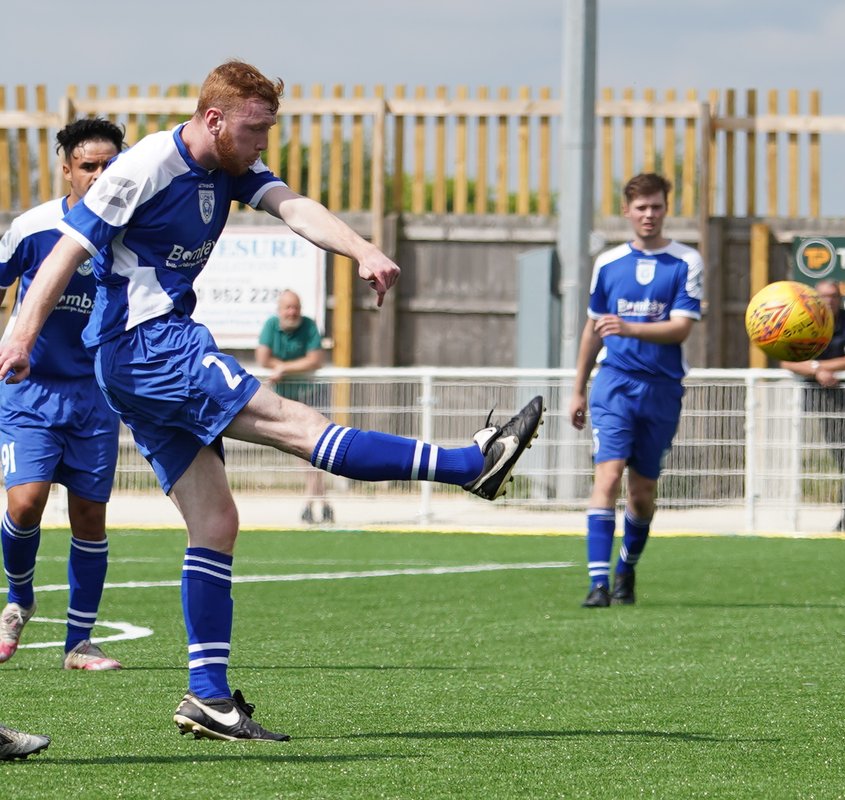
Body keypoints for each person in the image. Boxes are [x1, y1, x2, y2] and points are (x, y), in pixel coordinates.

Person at [0, 60, 543, 742]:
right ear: (214, 119)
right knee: (295, 423)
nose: (263, 142)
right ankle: (468, 465)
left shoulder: (229, 167)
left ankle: (207, 697)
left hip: (139, 360)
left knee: (216, 521)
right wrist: (20, 335)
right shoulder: (143, 167)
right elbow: (66, 251)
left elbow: (294, 206)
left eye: (269, 129)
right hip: (149, 345)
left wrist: (362, 249)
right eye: (256, 129)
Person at [0, 118, 127, 672]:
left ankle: (79, 642)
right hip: (29, 391)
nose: (99, 177)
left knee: (89, 517)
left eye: (109, 166)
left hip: (95, 396)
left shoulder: (132, 228)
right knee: (25, 503)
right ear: (66, 169)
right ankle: (19, 598)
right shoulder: (33, 228)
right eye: (88, 166)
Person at [569, 173, 703, 608]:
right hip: (614, 384)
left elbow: (681, 329)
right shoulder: (608, 264)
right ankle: (598, 584)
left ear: (667, 209)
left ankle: (626, 568)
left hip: (662, 388)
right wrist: (578, 389)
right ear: (626, 211)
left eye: (657, 207)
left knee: (642, 493)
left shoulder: (687, 261)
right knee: (607, 476)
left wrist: (629, 326)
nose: (649, 215)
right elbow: (593, 328)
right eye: (641, 208)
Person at [781, 280, 845, 532]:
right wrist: (818, 370)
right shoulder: (803, 320)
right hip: (821, 395)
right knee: (839, 453)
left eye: (833, 296)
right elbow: (787, 362)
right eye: (823, 297)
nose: (828, 301)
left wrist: (818, 368)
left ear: (840, 298)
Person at [255, 290, 332, 524]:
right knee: (306, 451)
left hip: (310, 397)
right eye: (288, 307)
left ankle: (313, 502)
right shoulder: (271, 326)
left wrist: (284, 369)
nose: (292, 312)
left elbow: (315, 360)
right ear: (280, 310)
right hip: (283, 401)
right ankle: (319, 502)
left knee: (313, 450)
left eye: (296, 307)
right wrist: (288, 366)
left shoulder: (308, 326)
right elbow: (263, 358)